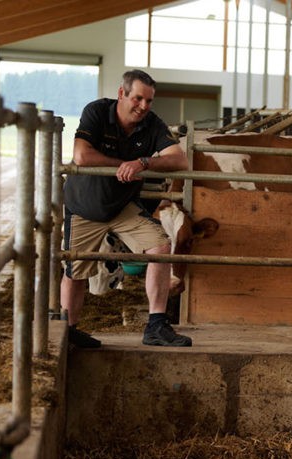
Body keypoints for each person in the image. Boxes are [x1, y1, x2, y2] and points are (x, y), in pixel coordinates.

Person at [61, 69, 191, 348]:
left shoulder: (151, 124)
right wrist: (121, 165)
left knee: (160, 247)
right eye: (138, 99)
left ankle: (156, 325)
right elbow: (81, 155)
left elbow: (180, 161)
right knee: (76, 270)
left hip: (122, 208)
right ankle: (68, 332)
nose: (143, 106)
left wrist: (142, 163)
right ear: (122, 93)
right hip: (85, 207)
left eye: (149, 101)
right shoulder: (97, 112)